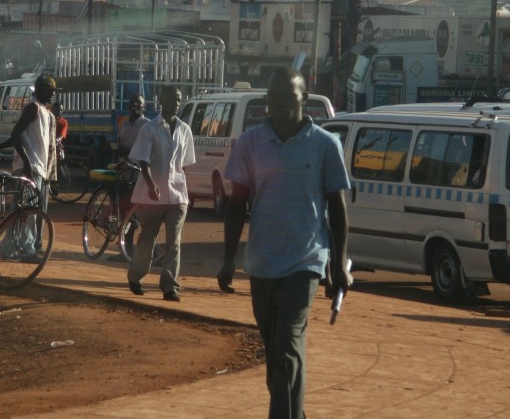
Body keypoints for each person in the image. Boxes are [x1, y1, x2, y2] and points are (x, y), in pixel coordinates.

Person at [217, 67, 351, 419]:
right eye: (274, 99)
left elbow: (337, 210)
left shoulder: (325, 145)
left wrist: (338, 266)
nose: (280, 105)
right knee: (277, 356)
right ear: (267, 103)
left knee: (289, 343)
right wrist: (228, 260)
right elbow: (236, 206)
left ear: (304, 99)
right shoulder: (250, 143)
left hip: (305, 262)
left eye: (288, 98)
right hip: (261, 264)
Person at [126, 84, 195, 302]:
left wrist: (184, 189)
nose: (176, 103)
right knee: (148, 238)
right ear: (161, 100)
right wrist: (150, 184)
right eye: (172, 99)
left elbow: (184, 165)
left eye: (178, 99)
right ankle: (136, 276)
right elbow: (143, 160)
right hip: (151, 196)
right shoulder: (149, 129)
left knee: (174, 241)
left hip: (177, 195)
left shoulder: (185, 129)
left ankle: (169, 286)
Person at [8, 73, 57, 254]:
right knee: (29, 210)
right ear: (38, 90)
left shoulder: (44, 110)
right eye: (48, 91)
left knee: (19, 209)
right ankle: (27, 249)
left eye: (53, 91)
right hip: (30, 166)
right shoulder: (33, 108)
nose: (52, 94)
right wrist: (27, 164)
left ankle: (8, 247)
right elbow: (16, 134)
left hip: (38, 167)